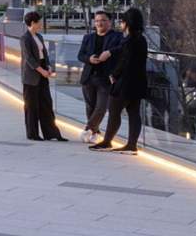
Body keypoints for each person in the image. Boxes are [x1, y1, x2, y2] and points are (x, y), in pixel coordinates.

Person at [91, 7, 148, 152]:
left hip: (125, 82)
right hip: (139, 81)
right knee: (134, 113)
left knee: (114, 110)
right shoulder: (141, 39)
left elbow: (125, 61)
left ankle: (107, 141)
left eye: (122, 22)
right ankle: (131, 145)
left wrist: (114, 75)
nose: (121, 25)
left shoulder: (128, 40)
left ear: (127, 23)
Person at [76, 9, 123, 143]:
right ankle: (95, 133)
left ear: (109, 22)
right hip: (89, 77)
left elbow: (123, 49)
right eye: (97, 21)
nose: (99, 23)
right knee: (90, 107)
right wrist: (89, 59)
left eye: (103, 20)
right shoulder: (88, 37)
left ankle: (87, 129)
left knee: (101, 107)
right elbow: (80, 55)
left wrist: (109, 52)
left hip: (106, 78)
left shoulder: (117, 36)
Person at [20, 11, 67, 141]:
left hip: (43, 72)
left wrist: (49, 66)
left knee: (46, 104)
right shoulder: (25, 38)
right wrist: (42, 71)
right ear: (33, 23)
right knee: (31, 106)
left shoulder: (39, 36)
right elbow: (29, 58)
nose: (41, 24)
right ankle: (33, 133)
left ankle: (52, 133)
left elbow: (44, 54)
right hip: (31, 75)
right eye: (39, 22)